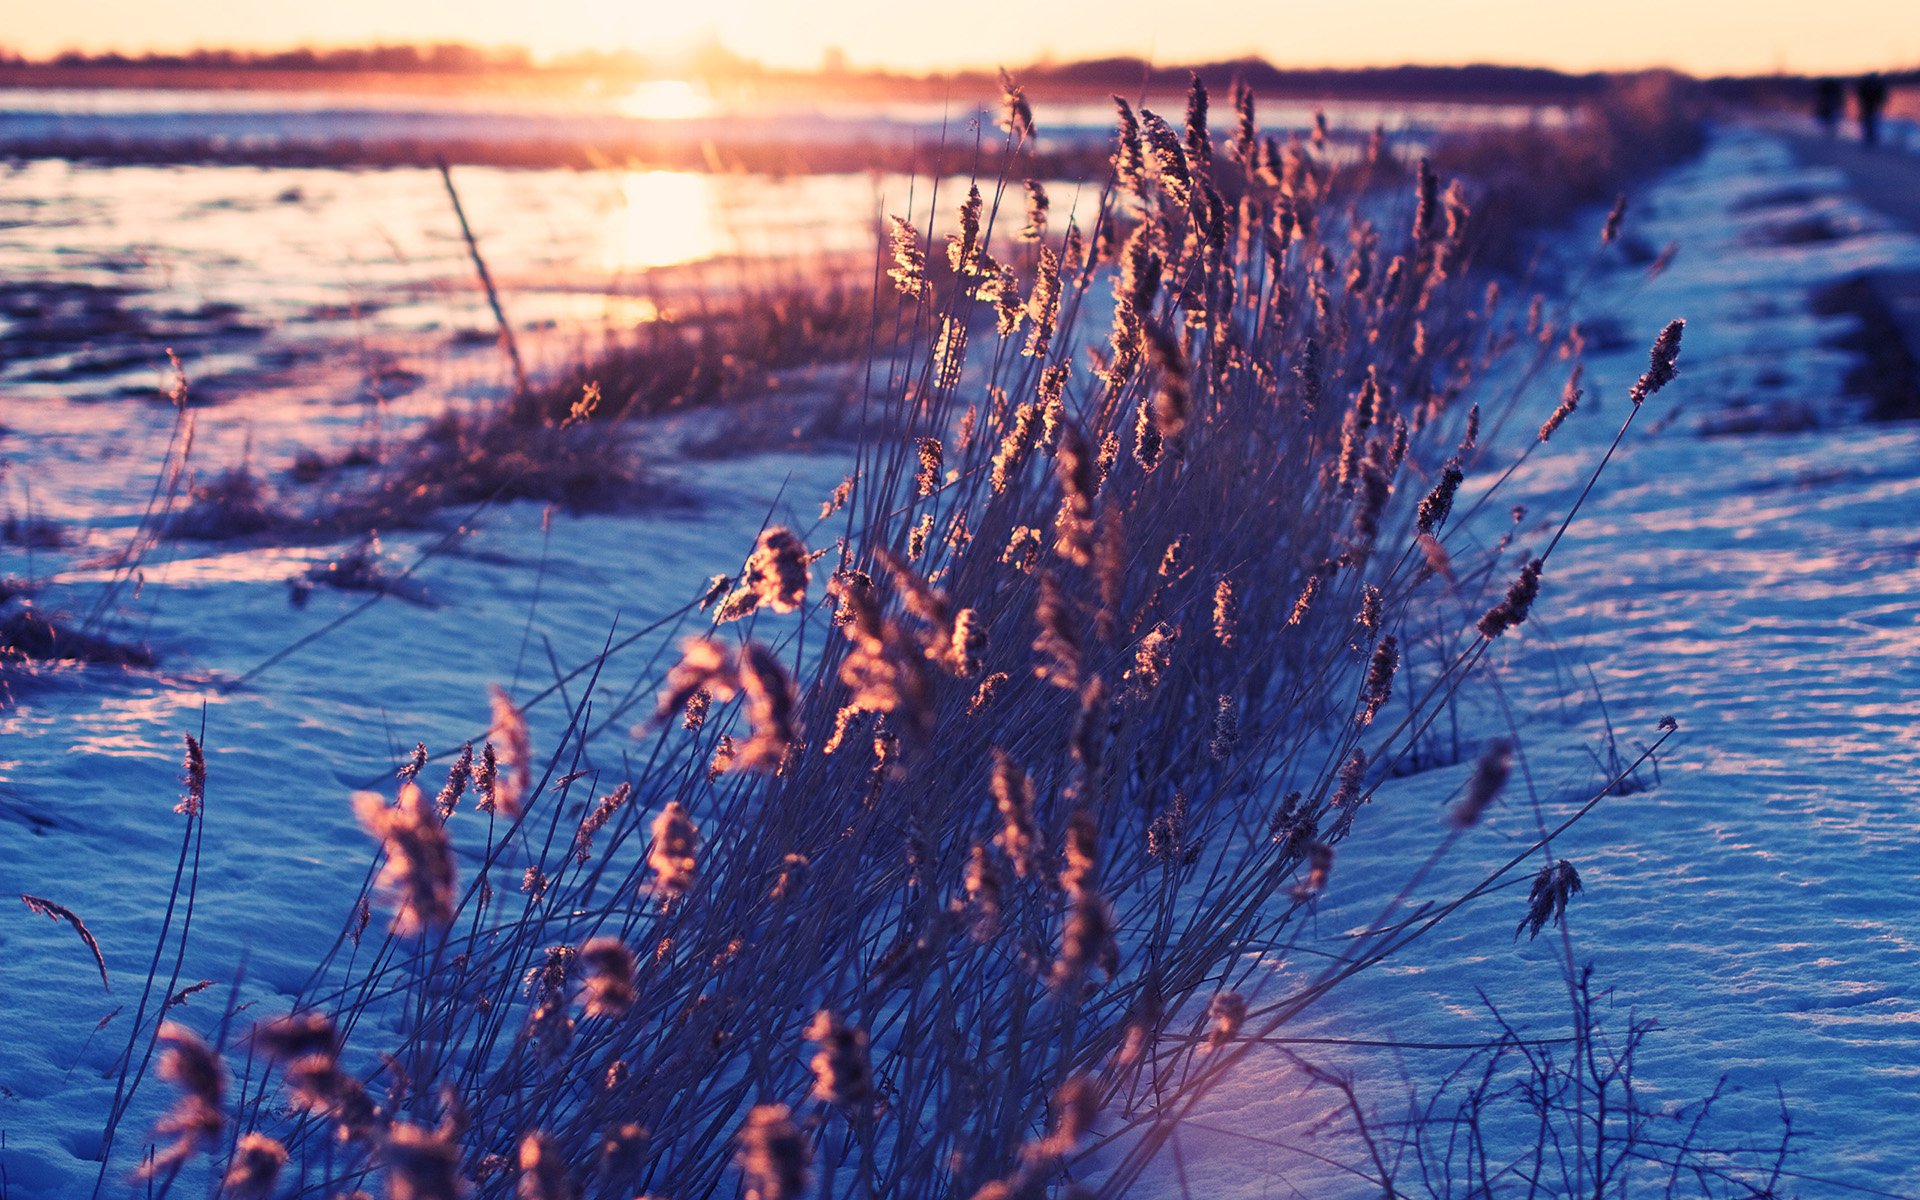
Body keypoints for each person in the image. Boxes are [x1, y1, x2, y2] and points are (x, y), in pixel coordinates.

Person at [1857, 74, 1889, 147]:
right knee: (1870, 122)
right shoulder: (1868, 86)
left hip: (1872, 107)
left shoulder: (1870, 86)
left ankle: (1871, 137)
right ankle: (1869, 137)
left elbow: (1882, 96)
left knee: (1872, 122)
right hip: (1869, 107)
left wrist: (1881, 103)